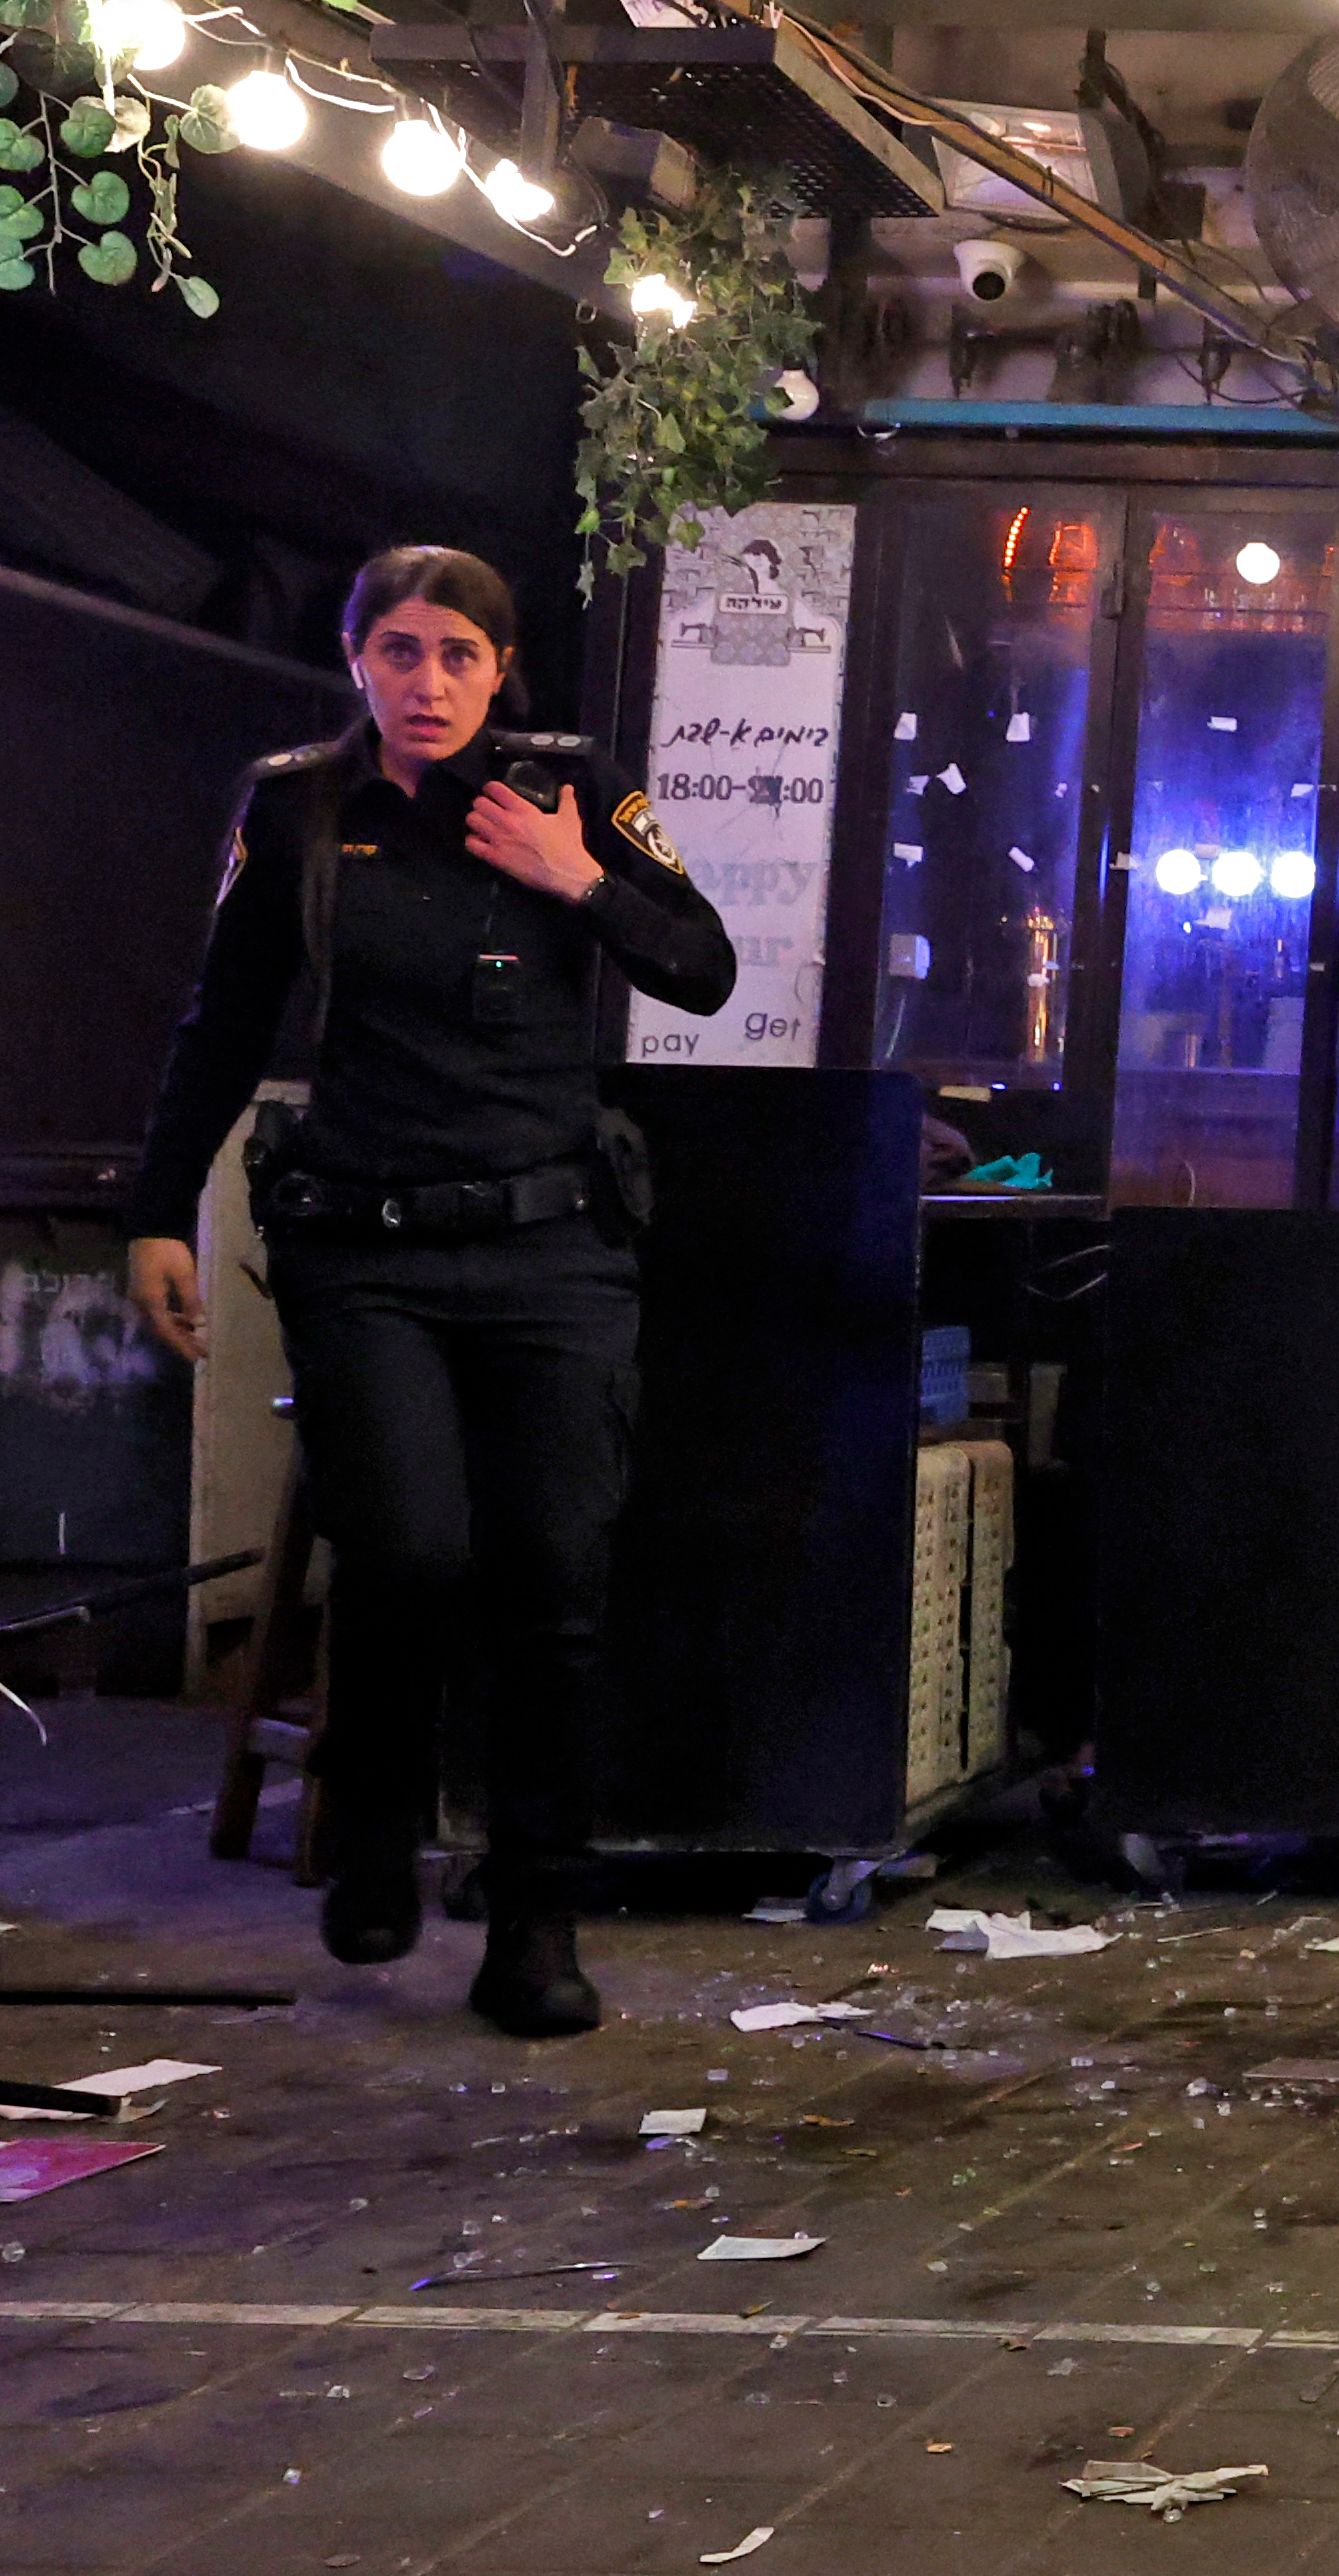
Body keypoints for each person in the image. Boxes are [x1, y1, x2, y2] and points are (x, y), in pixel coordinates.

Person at [125, 545, 736, 2038]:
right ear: (356, 661)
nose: (430, 682)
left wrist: (579, 878)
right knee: (405, 1553)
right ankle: (376, 1825)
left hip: (549, 1244)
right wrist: (157, 1215)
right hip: (368, 1243)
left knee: (551, 1580)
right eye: (399, 650)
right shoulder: (300, 807)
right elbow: (222, 1026)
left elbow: (707, 969)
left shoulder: (573, 786)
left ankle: (535, 1916)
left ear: (499, 666)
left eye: (459, 653)